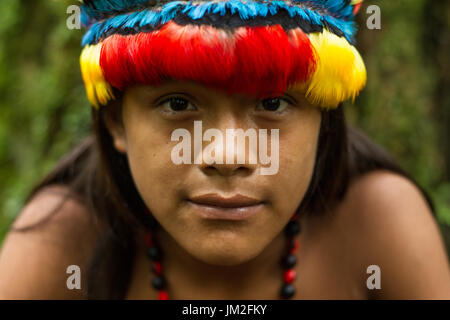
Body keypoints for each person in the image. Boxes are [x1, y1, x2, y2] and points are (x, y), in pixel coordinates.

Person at [0, 0, 449, 300]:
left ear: (323, 119)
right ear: (116, 120)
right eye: (178, 104)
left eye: (273, 103)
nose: (228, 153)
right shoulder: (60, 246)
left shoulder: (380, 223)